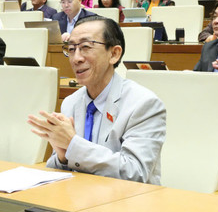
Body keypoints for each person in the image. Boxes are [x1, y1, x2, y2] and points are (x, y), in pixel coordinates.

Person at [28, 17, 166, 184]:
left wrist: (73, 145)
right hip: (78, 199)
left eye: (86, 47)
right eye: (71, 49)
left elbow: (135, 173)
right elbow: (56, 169)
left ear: (114, 54)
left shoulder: (143, 104)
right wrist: (63, 158)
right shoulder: (71, 102)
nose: (76, 58)